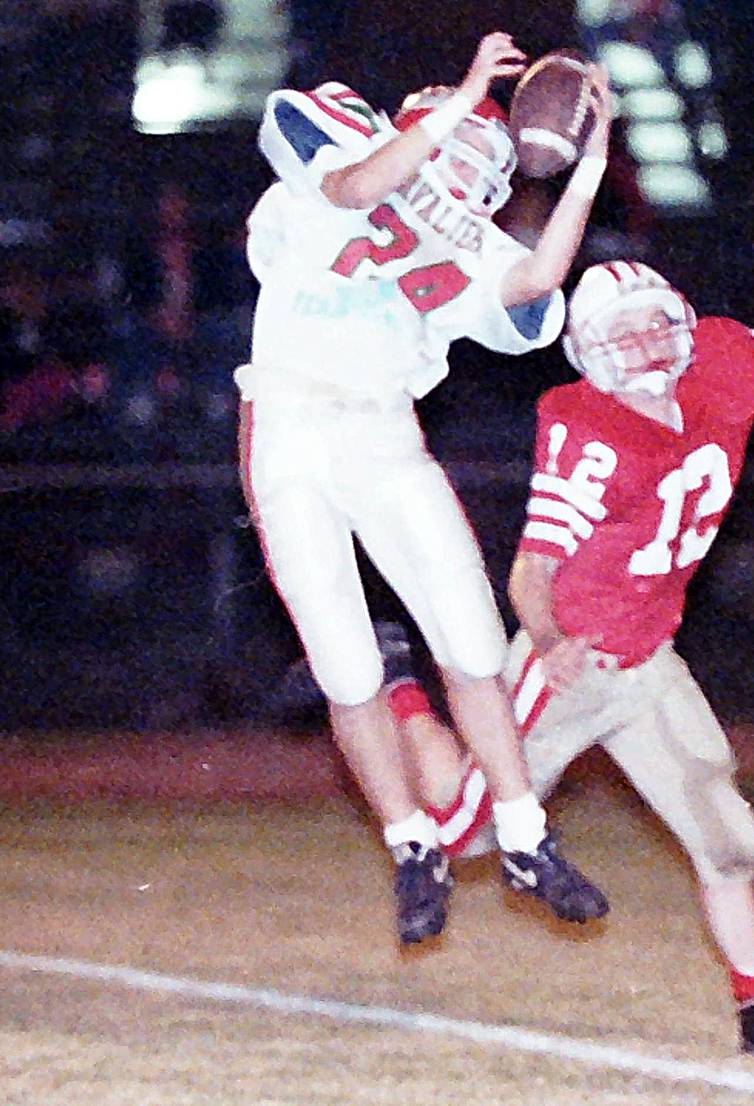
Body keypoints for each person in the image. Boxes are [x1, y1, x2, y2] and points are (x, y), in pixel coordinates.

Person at [381, 193, 754, 1053]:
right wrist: (553, 641)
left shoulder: (714, 362)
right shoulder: (584, 425)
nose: (643, 345)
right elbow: (535, 565)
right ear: (588, 356)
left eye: (651, 326)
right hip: (579, 657)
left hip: (652, 660)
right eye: (621, 335)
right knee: (470, 836)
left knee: (728, 839)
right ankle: (400, 688)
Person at [237, 30, 612, 945]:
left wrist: (589, 168)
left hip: (386, 435)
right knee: (346, 665)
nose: (472, 169)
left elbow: (533, 279)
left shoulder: (469, 242)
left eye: (489, 160)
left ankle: (525, 835)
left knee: (473, 644)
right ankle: (412, 845)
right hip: (288, 427)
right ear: (418, 123)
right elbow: (358, 185)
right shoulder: (343, 144)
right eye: (460, 144)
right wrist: (461, 104)